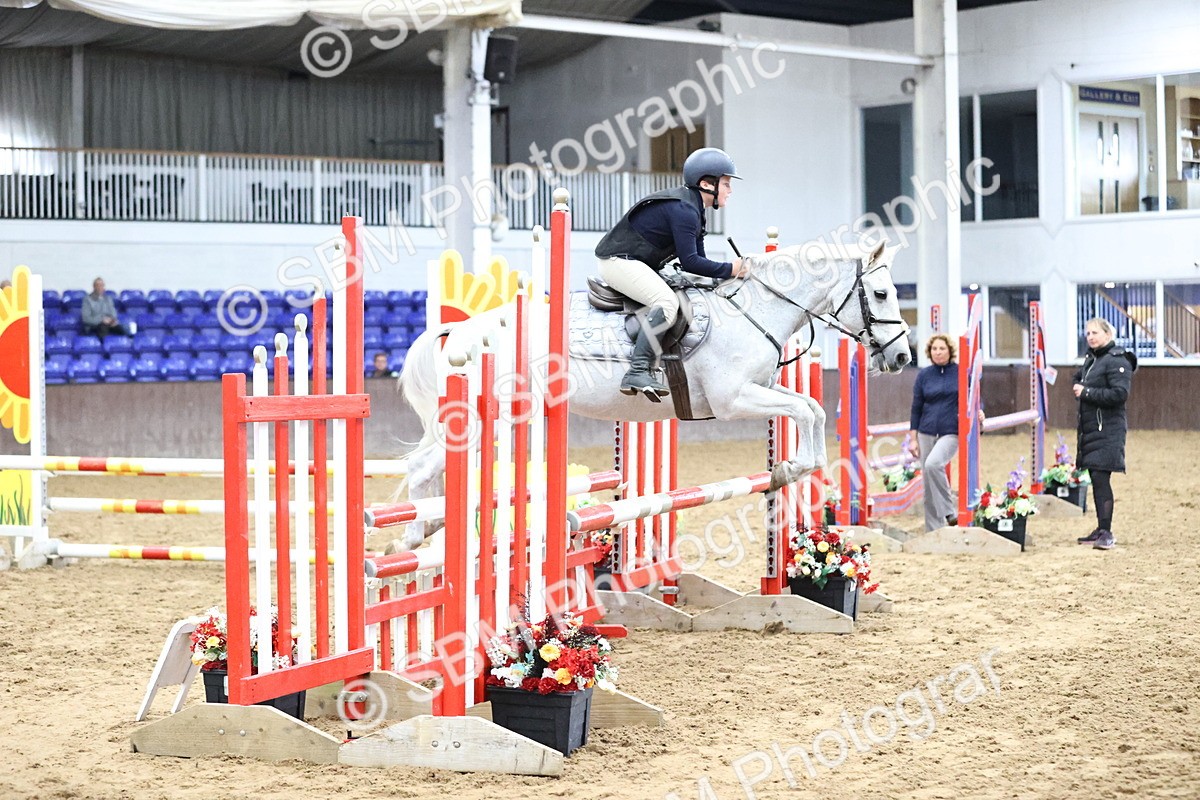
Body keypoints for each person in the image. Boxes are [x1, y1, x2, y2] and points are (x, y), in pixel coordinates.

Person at [594, 147, 748, 399]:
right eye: (727, 183)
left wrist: (726, 273)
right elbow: (690, 262)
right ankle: (638, 369)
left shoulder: (694, 211)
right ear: (707, 184)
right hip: (616, 261)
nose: (730, 190)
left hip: (636, 262)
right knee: (666, 302)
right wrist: (731, 269)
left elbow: (699, 263)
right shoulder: (685, 211)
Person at [907, 334, 983, 532]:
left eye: (942, 348)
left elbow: (974, 396)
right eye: (934, 349)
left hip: (951, 431)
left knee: (933, 464)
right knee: (928, 483)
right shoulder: (924, 375)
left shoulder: (961, 372)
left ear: (950, 351)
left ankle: (950, 512)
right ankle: (933, 529)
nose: (938, 352)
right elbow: (916, 407)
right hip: (925, 431)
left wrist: (979, 411)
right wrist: (913, 438)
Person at [1073, 318, 1136, 551]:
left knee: (1101, 479)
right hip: (1092, 429)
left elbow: (1120, 393)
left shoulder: (1116, 360)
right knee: (1097, 479)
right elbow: (1079, 378)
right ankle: (1101, 528)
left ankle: (1107, 532)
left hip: (1108, 430)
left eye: (1095, 332)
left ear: (1108, 335)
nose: (1090, 336)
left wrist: (1086, 391)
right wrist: (1080, 385)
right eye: (1087, 332)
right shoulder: (1093, 359)